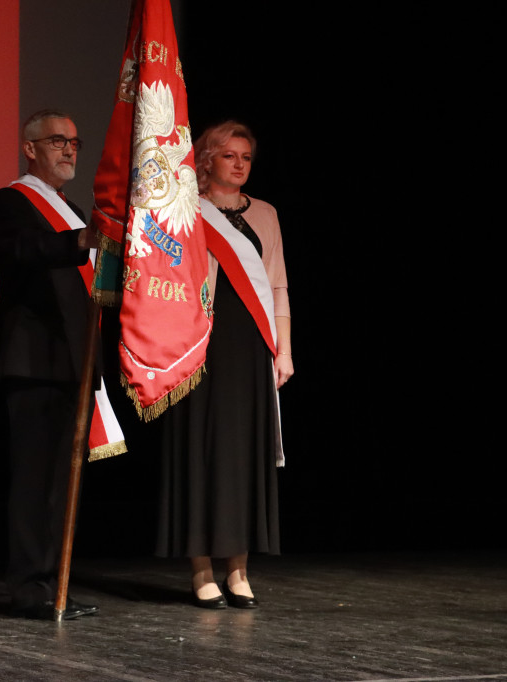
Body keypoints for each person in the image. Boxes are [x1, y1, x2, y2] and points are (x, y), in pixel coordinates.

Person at [156, 121, 293, 608]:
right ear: (207, 159)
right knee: (202, 452)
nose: (239, 164)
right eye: (230, 155)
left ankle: (238, 569)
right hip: (197, 344)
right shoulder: (184, 211)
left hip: (250, 346)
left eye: (247, 157)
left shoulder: (268, 215)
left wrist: (285, 349)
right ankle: (200, 569)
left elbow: (276, 285)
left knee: (243, 455)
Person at [0, 110, 100, 621]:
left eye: (75, 142)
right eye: (58, 140)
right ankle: (28, 588)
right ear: (30, 147)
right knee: (34, 484)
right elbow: (24, 250)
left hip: (74, 361)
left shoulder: (72, 208)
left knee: (61, 484)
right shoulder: (12, 200)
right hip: (34, 360)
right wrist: (80, 241)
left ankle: (55, 584)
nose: (70, 149)